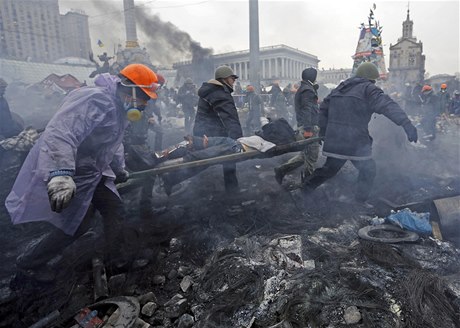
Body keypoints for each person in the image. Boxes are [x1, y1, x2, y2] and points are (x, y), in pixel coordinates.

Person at [5, 63, 159, 278]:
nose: (143, 103)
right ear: (127, 88)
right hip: (71, 171)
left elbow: (113, 143)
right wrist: (61, 174)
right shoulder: (94, 100)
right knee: (78, 224)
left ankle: (117, 261)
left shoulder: (118, 110)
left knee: (114, 209)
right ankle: (30, 261)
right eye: (142, 96)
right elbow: (61, 133)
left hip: (92, 171)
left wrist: (118, 168)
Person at [301, 62, 418, 205]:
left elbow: (323, 109)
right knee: (369, 170)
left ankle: (305, 189)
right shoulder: (369, 89)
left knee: (329, 170)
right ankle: (359, 201)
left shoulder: (340, 88)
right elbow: (388, 105)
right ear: (371, 79)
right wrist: (406, 123)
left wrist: (325, 132)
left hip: (336, 140)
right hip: (355, 141)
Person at [192, 65, 243, 192]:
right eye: (232, 78)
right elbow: (229, 117)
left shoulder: (212, 91)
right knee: (229, 159)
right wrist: (237, 138)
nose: (234, 81)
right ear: (225, 79)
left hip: (205, 132)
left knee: (204, 161)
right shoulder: (219, 93)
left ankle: (230, 190)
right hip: (213, 134)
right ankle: (233, 194)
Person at [274, 68, 320, 185]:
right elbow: (306, 109)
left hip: (305, 126)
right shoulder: (307, 90)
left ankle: (281, 170)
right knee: (312, 156)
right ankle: (308, 183)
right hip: (309, 128)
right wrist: (308, 129)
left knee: (305, 155)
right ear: (312, 77)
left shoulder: (304, 88)